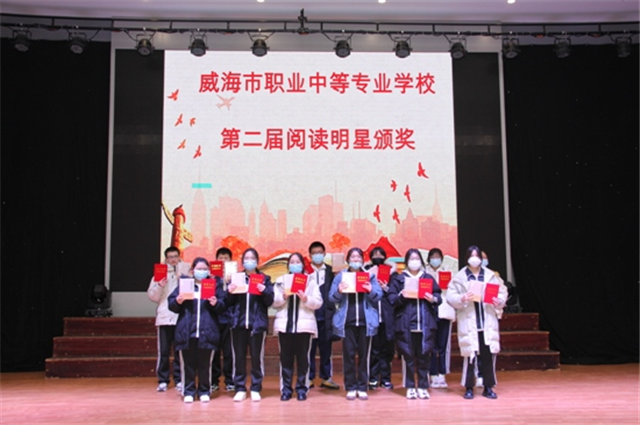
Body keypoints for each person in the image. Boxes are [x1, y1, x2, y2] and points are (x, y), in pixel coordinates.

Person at [446, 245, 508, 400]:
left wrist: (499, 301)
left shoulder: (490, 275)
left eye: (477, 256)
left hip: (487, 320)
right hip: (469, 321)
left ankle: (488, 387)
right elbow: (450, 296)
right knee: (470, 355)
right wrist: (462, 298)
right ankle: (469, 387)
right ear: (467, 258)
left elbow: (502, 292)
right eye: (471, 256)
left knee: (488, 355)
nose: (475, 259)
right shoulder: (460, 277)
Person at [168, 257, 226, 403]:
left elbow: (223, 306)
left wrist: (216, 303)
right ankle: (188, 391)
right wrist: (177, 301)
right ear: (192, 270)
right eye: (199, 269)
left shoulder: (214, 286)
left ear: (209, 271)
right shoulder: (185, 285)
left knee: (205, 364)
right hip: (187, 331)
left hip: (207, 331)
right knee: (187, 364)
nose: (201, 271)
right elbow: (171, 304)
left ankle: (204, 390)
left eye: (204, 269)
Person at [329, 247, 383, 401]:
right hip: (348, 322)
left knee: (365, 356)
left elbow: (379, 296)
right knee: (349, 356)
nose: (355, 260)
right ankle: (351, 387)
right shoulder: (341, 276)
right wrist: (339, 291)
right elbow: (331, 298)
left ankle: (363, 386)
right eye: (352, 257)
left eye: (358, 257)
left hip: (366, 322)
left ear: (363, 260)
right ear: (348, 260)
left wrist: (370, 290)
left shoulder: (370, 276)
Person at [388, 249, 441, 400]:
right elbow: (391, 299)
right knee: (408, 357)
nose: (414, 261)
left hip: (425, 323)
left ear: (421, 261)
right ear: (406, 261)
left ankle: (423, 386)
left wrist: (432, 298)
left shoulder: (427, 278)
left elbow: (438, 296)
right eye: (411, 259)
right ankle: (410, 386)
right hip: (406, 324)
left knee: (424, 356)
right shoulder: (399, 279)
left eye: (417, 258)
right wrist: (401, 296)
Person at [273, 253, 323, 401]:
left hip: (304, 327)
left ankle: (302, 389)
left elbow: (318, 302)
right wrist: (283, 297)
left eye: (298, 262)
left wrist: (306, 299)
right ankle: (286, 389)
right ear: (288, 265)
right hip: (285, 326)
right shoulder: (281, 280)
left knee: (303, 360)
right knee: (285, 360)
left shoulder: (310, 281)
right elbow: (273, 302)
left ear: (302, 264)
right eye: (292, 262)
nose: (295, 265)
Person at [226, 248, 274, 402]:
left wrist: (265, 291)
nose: (249, 261)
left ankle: (255, 387)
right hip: (238, 324)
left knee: (256, 358)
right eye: (246, 258)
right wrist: (229, 291)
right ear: (242, 262)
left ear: (257, 261)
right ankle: (240, 388)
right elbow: (228, 302)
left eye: (252, 258)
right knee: (238, 358)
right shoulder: (236, 278)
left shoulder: (264, 279)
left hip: (257, 325)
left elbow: (270, 301)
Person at [147, 246, 189, 393]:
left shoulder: (186, 272)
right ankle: (163, 380)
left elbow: (190, 293)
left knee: (180, 351)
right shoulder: (159, 275)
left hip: (181, 317)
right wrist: (160, 285)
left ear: (179, 257)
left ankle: (179, 379)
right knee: (164, 351)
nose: (173, 260)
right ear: (166, 259)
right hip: (164, 317)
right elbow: (152, 297)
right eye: (170, 257)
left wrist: (182, 280)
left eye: (175, 256)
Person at [307, 241, 340, 390]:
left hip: (326, 315)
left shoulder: (331, 271)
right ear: (310, 255)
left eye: (320, 253)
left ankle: (326, 377)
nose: (317, 255)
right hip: (310, 314)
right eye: (314, 253)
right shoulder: (305, 271)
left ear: (324, 254)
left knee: (326, 349)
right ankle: (309, 377)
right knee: (309, 349)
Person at [364, 246, 396, 390]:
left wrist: (386, 288)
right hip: (372, 317)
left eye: (380, 254)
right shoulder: (365, 273)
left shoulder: (392, 274)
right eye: (375, 254)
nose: (378, 256)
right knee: (373, 350)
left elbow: (396, 295)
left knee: (387, 350)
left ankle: (386, 378)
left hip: (388, 318)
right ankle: (373, 378)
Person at [425, 247, 455, 389]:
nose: (435, 259)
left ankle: (442, 374)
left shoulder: (448, 271)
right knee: (431, 346)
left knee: (443, 346)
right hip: (430, 312)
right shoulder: (424, 273)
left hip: (445, 312)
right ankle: (432, 374)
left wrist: (450, 285)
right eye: (433, 257)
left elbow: (455, 292)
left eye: (438, 257)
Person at [210, 247, 234, 393]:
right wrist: (214, 281)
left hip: (229, 320)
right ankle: (214, 381)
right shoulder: (210, 278)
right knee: (214, 352)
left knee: (229, 353)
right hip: (214, 320)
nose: (223, 261)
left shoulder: (235, 277)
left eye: (226, 258)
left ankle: (230, 380)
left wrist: (229, 284)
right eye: (220, 258)